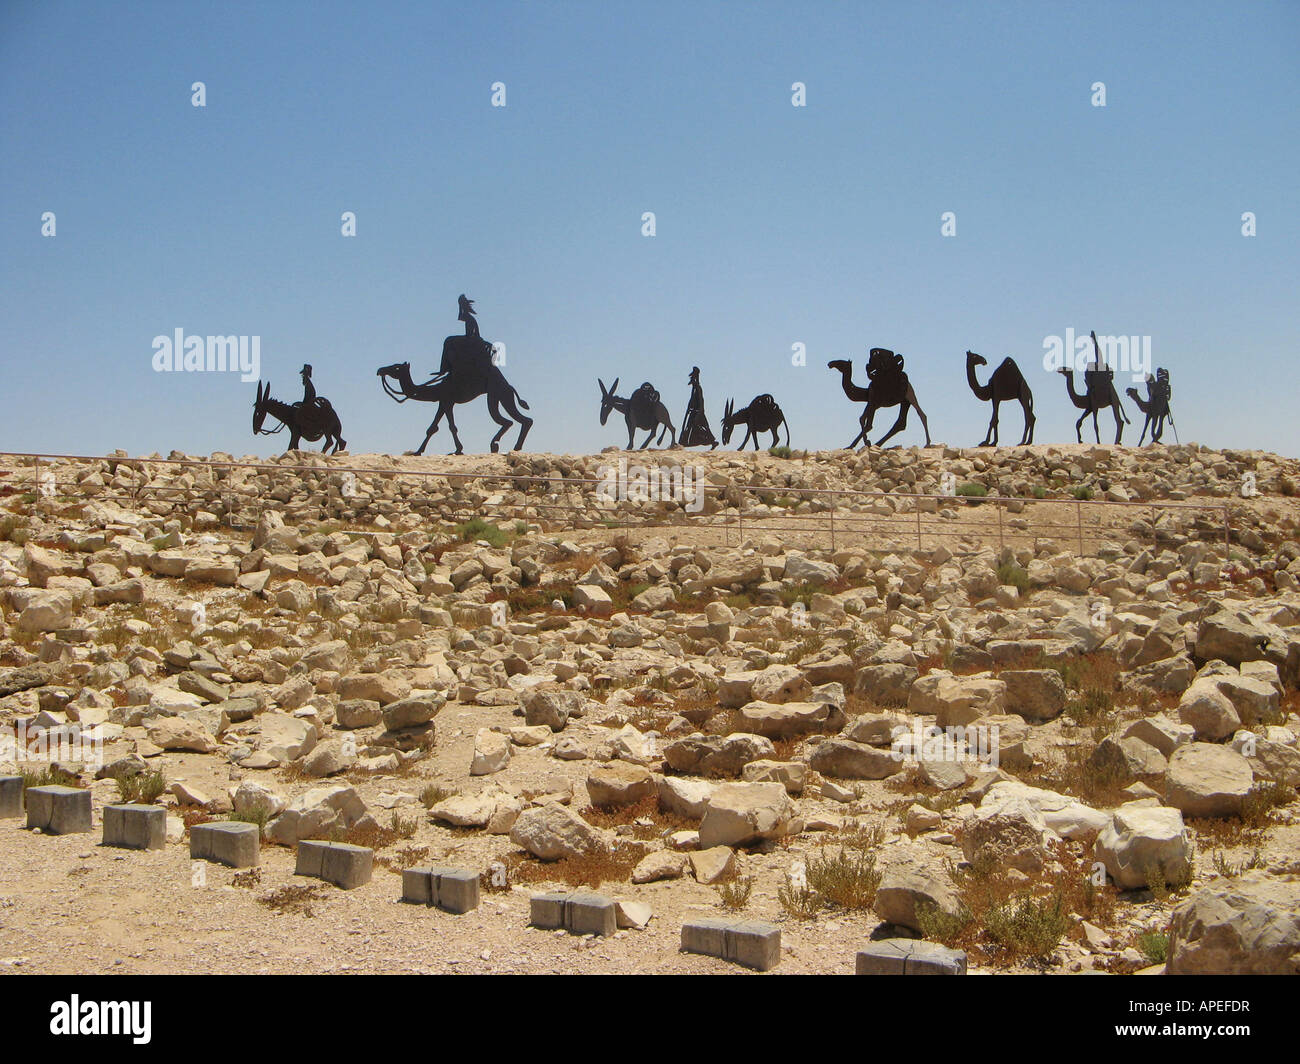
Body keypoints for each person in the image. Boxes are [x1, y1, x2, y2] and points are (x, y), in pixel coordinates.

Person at [680, 366, 718, 448]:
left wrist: (699, 412)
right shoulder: (695, 388)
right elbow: (692, 400)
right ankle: (683, 442)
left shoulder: (698, 388)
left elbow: (701, 401)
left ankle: (711, 441)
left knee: (698, 428)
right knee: (690, 427)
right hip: (694, 412)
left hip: (698, 412)